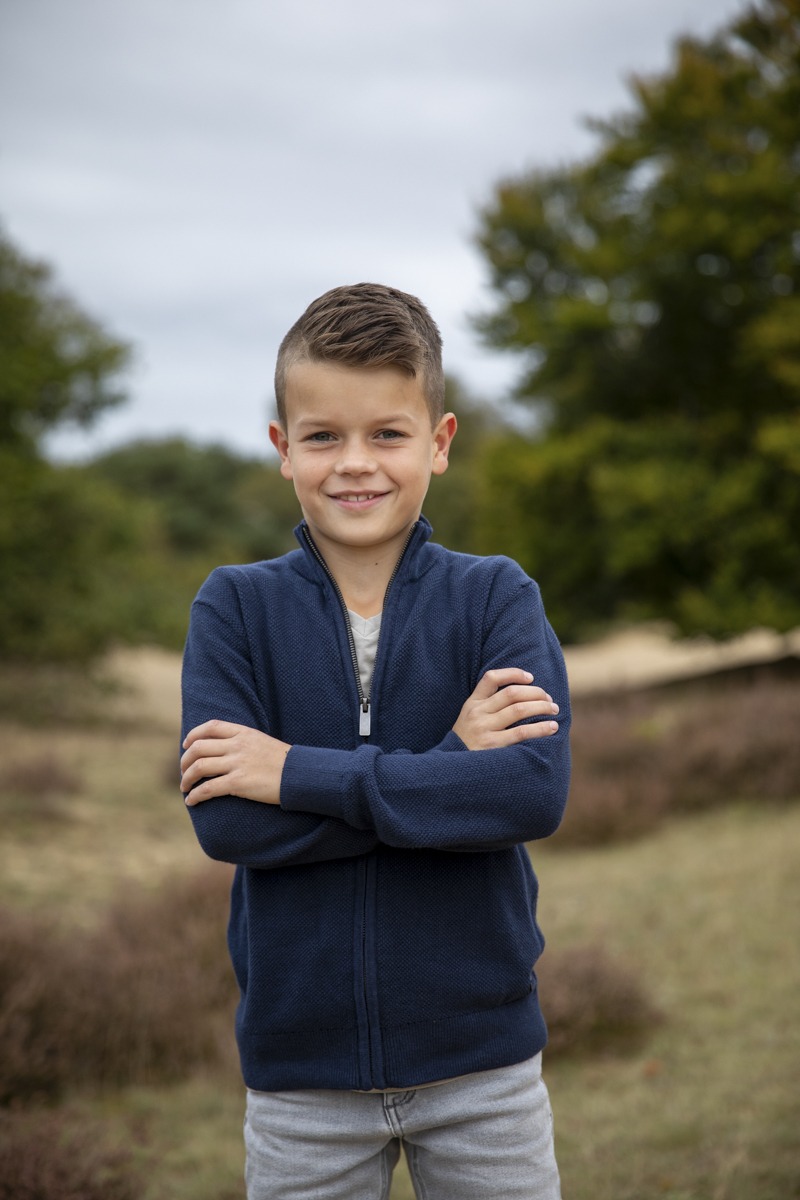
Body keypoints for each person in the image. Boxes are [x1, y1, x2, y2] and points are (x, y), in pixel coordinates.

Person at [179, 282, 571, 1200]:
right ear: (283, 448)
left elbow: (528, 794)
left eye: (388, 433)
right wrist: (447, 773)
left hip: (484, 1069)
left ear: (439, 441)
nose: (355, 463)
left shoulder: (495, 597)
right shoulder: (233, 607)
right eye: (323, 436)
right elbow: (229, 824)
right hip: (300, 1085)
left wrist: (290, 772)